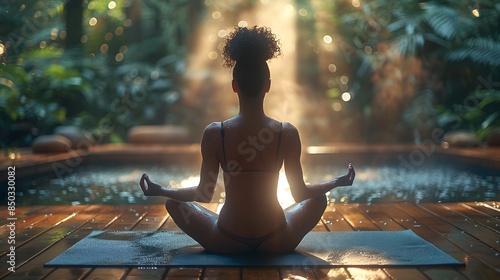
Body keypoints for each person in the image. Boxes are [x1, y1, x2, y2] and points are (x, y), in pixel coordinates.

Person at [139, 26, 355, 254]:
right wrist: (337, 181)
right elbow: (300, 193)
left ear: (234, 86)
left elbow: (204, 193)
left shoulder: (215, 132)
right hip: (277, 239)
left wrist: (160, 189)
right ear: (268, 86)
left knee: (173, 203)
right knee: (319, 199)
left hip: (226, 239)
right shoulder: (287, 132)